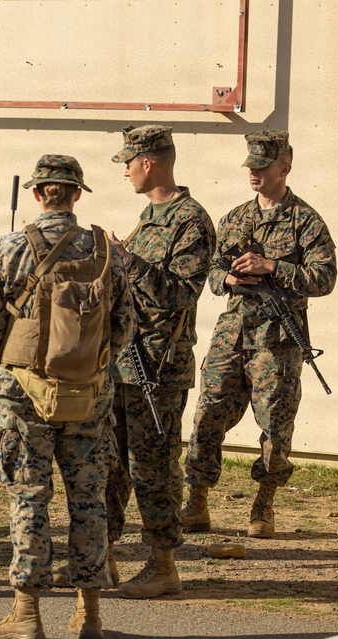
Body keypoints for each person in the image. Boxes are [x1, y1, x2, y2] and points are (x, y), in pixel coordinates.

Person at [0, 155, 134, 639]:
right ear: (76, 194)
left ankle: (26, 614)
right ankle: (90, 614)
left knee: (29, 497)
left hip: (23, 393)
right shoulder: (105, 250)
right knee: (89, 498)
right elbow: (125, 329)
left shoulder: (10, 248)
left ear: (39, 194)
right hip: (90, 395)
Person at [182, 129, 337, 537]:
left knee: (275, 424)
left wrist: (273, 268)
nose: (254, 172)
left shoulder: (306, 222)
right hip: (231, 335)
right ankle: (196, 499)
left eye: (263, 166)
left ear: (284, 168)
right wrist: (228, 279)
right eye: (250, 165)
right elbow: (212, 270)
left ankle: (264, 502)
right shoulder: (234, 218)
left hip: (277, 340)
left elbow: (325, 278)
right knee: (207, 415)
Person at [104, 125, 215, 599]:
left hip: (158, 367)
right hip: (121, 362)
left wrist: (126, 261)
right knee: (110, 463)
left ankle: (163, 564)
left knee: (153, 466)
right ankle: (101, 556)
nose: (125, 172)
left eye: (128, 163)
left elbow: (183, 293)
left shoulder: (190, 221)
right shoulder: (149, 217)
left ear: (148, 163)